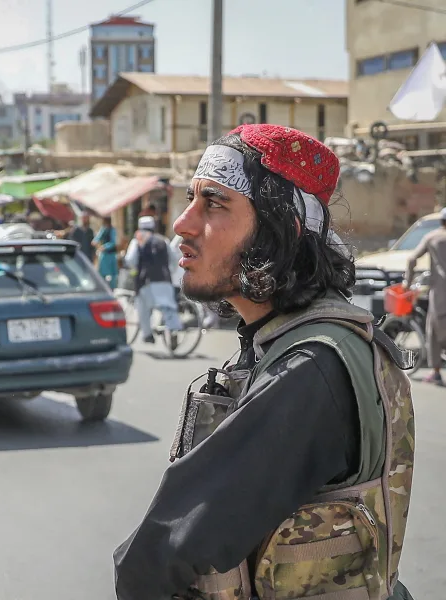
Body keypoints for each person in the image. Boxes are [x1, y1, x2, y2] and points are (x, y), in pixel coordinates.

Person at [112, 124, 416, 600]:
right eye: (191, 199)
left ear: (281, 230)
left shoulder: (311, 365)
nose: (182, 224)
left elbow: (159, 556)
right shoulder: (279, 340)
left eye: (215, 203)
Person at [123, 215, 182, 347]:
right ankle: (173, 330)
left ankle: (147, 335)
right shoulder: (163, 240)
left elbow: (131, 260)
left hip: (146, 281)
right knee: (168, 308)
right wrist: (168, 272)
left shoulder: (137, 240)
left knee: (142, 307)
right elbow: (174, 260)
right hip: (164, 280)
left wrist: (133, 270)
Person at [404, 206, 446, 386]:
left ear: (441, 221)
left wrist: (407, 283)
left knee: (434, 330)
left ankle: (435, 373)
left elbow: (412, 259)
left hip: (441, 292)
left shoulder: (432, 237)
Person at [93, 216, 118, 288]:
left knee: (113, 273)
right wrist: (95, 241)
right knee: (101, 272)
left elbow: (113, 242)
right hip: (104, 254)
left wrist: (104, 247)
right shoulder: (103, 229)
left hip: (111, 254)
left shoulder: (112, 230)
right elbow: (98, 237)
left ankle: (112, 288)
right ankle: (103, 288)